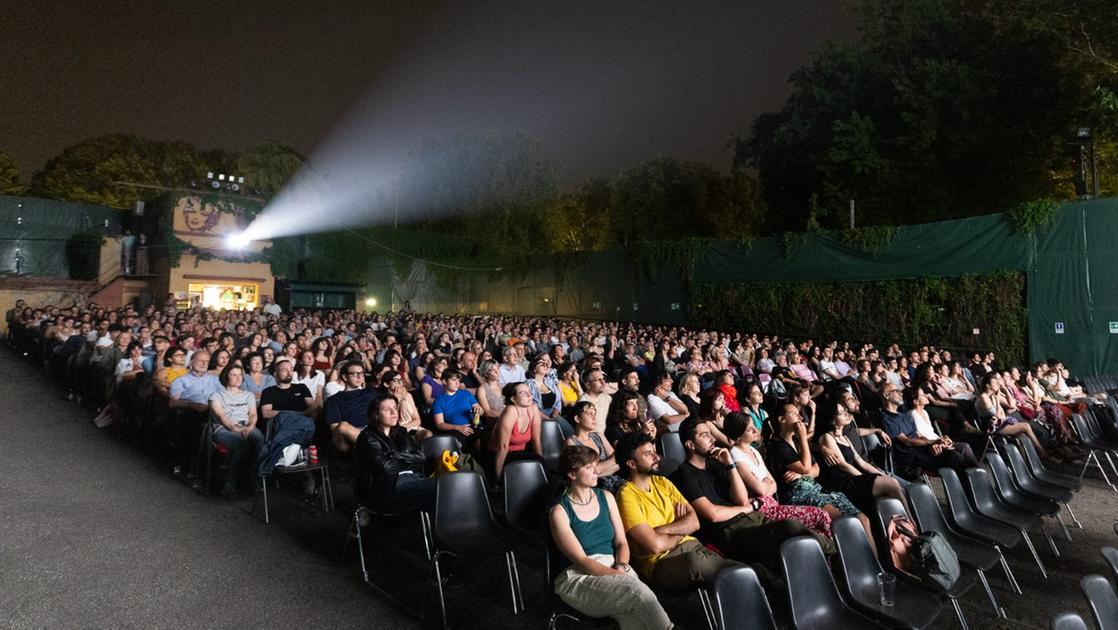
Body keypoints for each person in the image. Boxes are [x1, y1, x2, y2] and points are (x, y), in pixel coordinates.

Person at [669, 417, 833, 577]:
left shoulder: (716, 463)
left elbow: (741, 499)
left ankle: (830, 568)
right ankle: (839, 549)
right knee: (790, 527)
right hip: (731, 532)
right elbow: (713, 514)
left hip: (752, 518)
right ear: (690, 445)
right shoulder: (685, 475)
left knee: (800, 535)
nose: (712, 438)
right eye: (704, 435)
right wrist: (747, 507)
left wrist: (730, 465)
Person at [549, 445, 672, 630]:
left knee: (632, 613)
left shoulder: (606, 497)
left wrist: (621, 566)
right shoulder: (559, 511)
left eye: (595, 465)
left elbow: (621, 543)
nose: (597, 470)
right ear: (572, 474)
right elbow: (581, 561)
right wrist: (619, 576)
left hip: (614, 564)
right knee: (639, 595)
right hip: (578, 576)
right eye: (589, 467)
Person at [614, 432, 740, 591]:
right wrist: (681, 526)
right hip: (660, 562)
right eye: (648, 454)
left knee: (736, 570)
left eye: (654, 451)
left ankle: (762, 582)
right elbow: (655, 545)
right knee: (701, 564)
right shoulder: (626, 495)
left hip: (692, 545)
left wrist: (661, 530)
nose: (656, 456)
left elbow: (695, 523)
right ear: (632, 464)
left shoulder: (663, 482)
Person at [767, 404, 872, 541]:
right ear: (782, 419)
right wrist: (804, 438)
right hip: (798, 496)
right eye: (794, 414)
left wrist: (802, 474)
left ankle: (875, 561)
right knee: (848, 521)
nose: (799, 417)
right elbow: (806, 467)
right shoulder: (778, 445)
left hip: (816, 489)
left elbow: (816, 469)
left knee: (863, 519)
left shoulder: (797, 441)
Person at [722, 412, 833, 538]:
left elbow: (774, 485)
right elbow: (760, 490)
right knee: (821, 515)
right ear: (738, 437)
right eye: (749, 429)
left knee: (816, 531)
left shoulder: (754, 451)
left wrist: (766, 484)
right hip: (761, 510)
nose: (755, 430)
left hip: (773, 503)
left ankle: (830, 554)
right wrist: (766, 484)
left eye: (754, 425)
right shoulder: (736, 455)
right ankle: (836, 553)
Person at [814, 401, 905, 514]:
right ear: (832, 420)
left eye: (845, 411)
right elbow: (843, 466)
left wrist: (881, 475)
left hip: (854, 477)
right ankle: (913, 523)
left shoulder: (845, 437)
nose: (846, 414)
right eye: (842, 413)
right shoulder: (827, 437)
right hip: (843, 481)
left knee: (893, 482)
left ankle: (907, 522)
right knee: (890, 484)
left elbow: (861, 462)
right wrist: (866, 478)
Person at [354, 395, 435, 513]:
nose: (393, 412)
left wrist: (393, 455)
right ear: (376, 415)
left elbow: (421, 458)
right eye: (387, 409)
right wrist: (407, 460)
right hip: (386, 488)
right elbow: (386, 467)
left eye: (395, 408)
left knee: (448, 488)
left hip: (413, 478)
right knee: (444, 486)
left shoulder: (400, 432)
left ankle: (438, 528)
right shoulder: (367, 437)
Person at [880, 384, 978, 475]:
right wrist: (934, 442)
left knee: (962, 449)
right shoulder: (887, 418)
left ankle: (978, 479)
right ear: (886, 395)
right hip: (912, 457)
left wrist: (937, 443)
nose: (900, 393)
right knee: (955, 456)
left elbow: (919, 435)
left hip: (923, 450)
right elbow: (907, 441)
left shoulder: (904, 415)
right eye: (896, 391)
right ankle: (970, 487)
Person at [209, 364, 264, 499]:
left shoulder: (248, 395)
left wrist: (250, 427)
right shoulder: (216, 395)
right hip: (224, 428)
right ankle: (229, 485)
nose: (238, 378)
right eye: (234, 374)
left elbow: (253, 414)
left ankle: (252, 479)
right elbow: (222, 416)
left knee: (260, 441)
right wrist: (236, 429)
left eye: (240, 375)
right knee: (241, 445)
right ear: (226, 377)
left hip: (246, 426)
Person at [488, 381, 543, 479]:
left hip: (520, 453)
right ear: (513, 399)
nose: (529, 395)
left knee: (539, 466)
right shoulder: (511, 411)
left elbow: (536, 441)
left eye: (529, 391)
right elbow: (503, 447)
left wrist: (541, 465)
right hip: (500, 456)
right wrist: (498, 479)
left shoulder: (533, 409)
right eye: (523, 393)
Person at [565, 400, 624, 492]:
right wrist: (612, 462)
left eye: (595, 414)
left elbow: (619, 461)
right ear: (577, 418)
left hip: (615, 480)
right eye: (589, 414)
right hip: (594, 487)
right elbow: (585, 473)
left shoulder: (598, 435)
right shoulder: (571, 442)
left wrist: (600, 469)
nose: (594, 417)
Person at [323, 360, 380, 454]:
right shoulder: (334, 400)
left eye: (361, 373)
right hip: (350, 438)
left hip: (374, 432)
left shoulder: (371, 392)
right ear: (345, 377)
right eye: (354, 374)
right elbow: (336, 431)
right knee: (343, 426)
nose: (359, 376)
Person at [432, 368, 482, 440]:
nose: (457, 383)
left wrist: (479, 410)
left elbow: (481, 411)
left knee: (483, 438)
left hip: (474, 427)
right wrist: (458, 428)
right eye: (454, 380)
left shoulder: (466, 394)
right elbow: (439, 424)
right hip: (455, 431)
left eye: (458, 380)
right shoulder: (439, 401)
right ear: (444, 381)